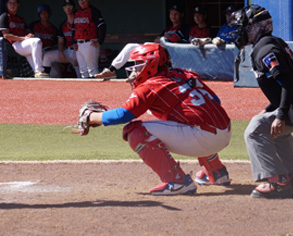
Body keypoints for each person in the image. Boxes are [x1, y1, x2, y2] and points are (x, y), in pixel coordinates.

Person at [75, 44, 232, 195]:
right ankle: (216, 172)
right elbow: (215, 101)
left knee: (134, 131)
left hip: (204, 138)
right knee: (193, 120)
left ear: (151, 64)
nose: (135, 70)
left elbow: (123, 115)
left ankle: (177, 182)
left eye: (139, 64)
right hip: (225, 132)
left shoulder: (151, 85)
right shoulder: (185, 74)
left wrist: (91, 117)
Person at [232, 5, 293, 199]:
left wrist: (280, 114)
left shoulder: (265, 48)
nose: (240, 32)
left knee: (254, 130)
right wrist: (271, 109)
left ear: (257, 27)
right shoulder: (269, 43)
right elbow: (287, 84)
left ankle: (277, 181)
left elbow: (287, 80)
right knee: (272, 128)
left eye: (244, 27)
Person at [95, 5, 188, 79]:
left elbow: (171, 40)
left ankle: (136, 72)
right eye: (171, 14)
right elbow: (157, 40)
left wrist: (164, 38)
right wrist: (164, 37)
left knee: (147, 46)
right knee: (130, 46)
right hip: (158, 51)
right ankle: (111, 70)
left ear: (182, 15)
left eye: (176, 14)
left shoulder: (183, 28)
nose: (173, 16)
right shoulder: (168, 29)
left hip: (170, 54)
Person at [0, 0, 48, 78]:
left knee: (33, 48)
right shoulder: (4, 16)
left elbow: (27, 32)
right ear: (6, 4)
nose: (12, 5)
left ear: (18, 5)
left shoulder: (21, 19)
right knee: (36, 41)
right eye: (10, 3)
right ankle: (39, 70)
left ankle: (38, 74)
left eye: (14, 3)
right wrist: (23, 38)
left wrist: (29, 35)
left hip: (23, 43)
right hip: (15, 44)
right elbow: (6, 35)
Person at [73, 0, 107, 78]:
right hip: (79, 45)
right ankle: (86, 91)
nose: (82, 1)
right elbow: (74, 29)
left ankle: (96, 91)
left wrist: (100, 41)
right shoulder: (77, 13)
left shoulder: (94, 11)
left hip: (90, 43)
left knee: (92, 70)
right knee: (83, 72)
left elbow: (102, 26)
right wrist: (74, 42)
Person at [30, 4, 62, 77]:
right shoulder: (33, 26)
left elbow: (56, 45)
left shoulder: (54, 29)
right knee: (37, 72)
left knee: (56, 74)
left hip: (49, 52)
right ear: (39, 15)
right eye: (42, 13)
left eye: (45, 13)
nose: (44, 15)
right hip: (37, 53)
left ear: (49, 14)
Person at [51, 0, 81, 78]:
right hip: (67, 51)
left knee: (80, 75)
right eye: (65, 7)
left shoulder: (79, 23)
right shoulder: (63, 25)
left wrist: (80, 56)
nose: (67, 8)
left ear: (74, 8)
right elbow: (60, 42)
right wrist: (61, 53)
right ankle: (49, 80)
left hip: (78, 51)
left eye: (69, 6)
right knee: (47, 56)